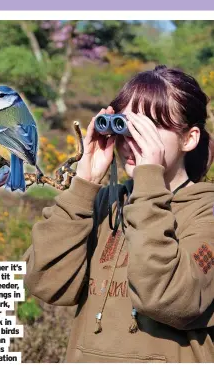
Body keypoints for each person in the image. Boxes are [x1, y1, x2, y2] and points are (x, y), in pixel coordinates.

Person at [23, 65, 214, 362]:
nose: (134, 141)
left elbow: (169, 298)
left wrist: (148, 181)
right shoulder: (103, 204)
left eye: (151, 128)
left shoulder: (206, 213)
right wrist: (83, 186)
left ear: (189, 138)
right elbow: (46, 283)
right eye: (127, 125)